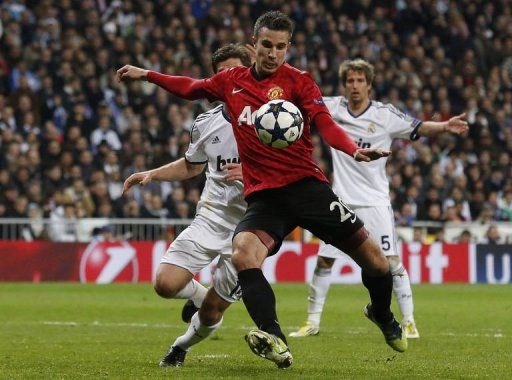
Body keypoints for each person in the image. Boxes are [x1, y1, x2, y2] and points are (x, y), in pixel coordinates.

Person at [117, 11, 403, 369]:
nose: (273, 53)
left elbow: (325, 124)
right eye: (266, 45)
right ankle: (276, 339)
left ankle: (381, 313)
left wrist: (353, 149)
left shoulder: (299, 82)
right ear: (254, 45)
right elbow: (190, 87)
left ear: (288, 48)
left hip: (307, 187)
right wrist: (148, 75)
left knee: (377, 263)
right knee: (244, 256)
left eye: (281, 47)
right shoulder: (231, 82)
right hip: (264, 197)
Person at [289, 59, 468, 339]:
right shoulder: (331, 108)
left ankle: (409, 322)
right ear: (344, 85)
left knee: (392, 261)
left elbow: (418, 127)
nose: (355, 85)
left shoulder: (385, 115)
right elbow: (295, 100)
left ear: (369, 84)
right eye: (350, 80)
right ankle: (312, 322)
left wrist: (445, 126)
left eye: (360, 80)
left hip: (375, 202)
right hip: (341, 201)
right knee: (325, 261)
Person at [122, 44, 251, 367]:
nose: (228, 79)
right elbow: (193, 166)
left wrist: (251, 173)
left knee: (211, 313)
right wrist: (153, 173)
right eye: (221, 74)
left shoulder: (271, 120)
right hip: (211, 217)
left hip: (251, 228)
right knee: (164, 285)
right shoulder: (206, 123)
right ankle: (196, 295)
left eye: (235, 71)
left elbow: (292, 166)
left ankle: (181, 345)